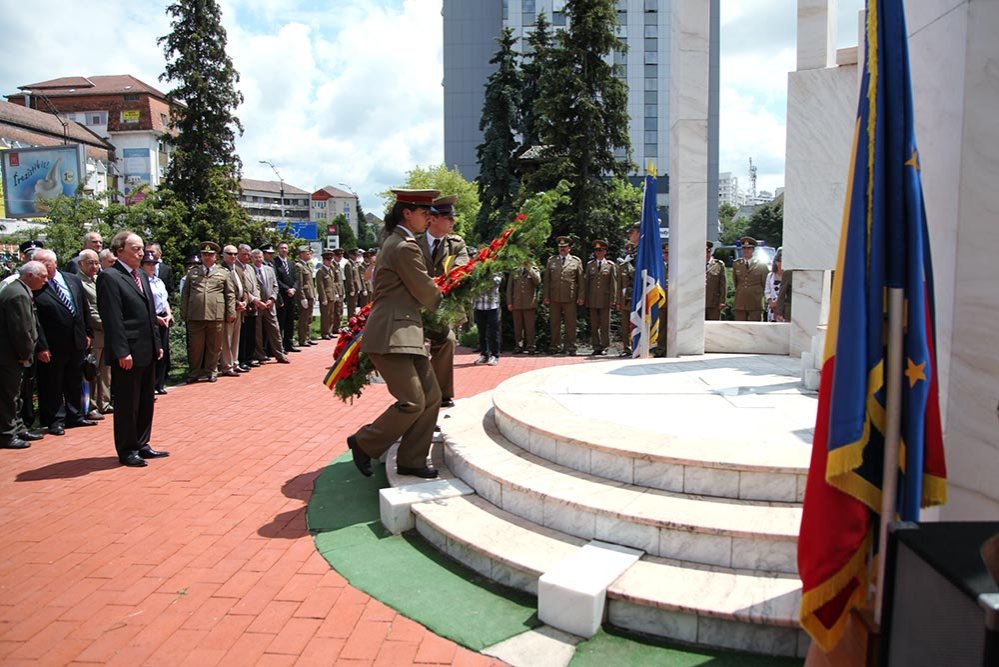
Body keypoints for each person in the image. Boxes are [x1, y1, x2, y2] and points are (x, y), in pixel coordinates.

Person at [347, 189, 443, 480]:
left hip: (405, 332)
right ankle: (364, 442)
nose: (429, 219)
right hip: (392, 334)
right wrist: (452, 299)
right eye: (424, 213)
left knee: (431, 396)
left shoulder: (399, 242)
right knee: (413, 401)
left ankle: (412, 459)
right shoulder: (403, 246)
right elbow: (425, 289)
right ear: (407, 213)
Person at [97, 231, 167, 467]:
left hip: (147, 349)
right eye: (135, 249)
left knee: (146, 400)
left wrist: (157, 343)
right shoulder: (109, 277)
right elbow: (112, 318)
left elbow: (149, 313)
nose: (141, 253)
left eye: (141, 249)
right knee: (128, 403)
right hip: (127, 351)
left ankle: (142, 443)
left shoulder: (141, 275)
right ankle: (127, 450)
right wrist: (121, 351)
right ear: (119, 251)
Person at [31, 249, 95, 435]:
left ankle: (75, 416)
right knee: (52, 383)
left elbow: (83, 307)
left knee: (74, 379)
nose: (42, 267)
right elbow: (36, 321)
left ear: (55, 263)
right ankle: (55, 420)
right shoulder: (37, 286)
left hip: (76, 340)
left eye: (45, 263)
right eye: (38, 264)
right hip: (52, 345)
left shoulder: (72, 279)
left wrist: (87, 332)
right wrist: (41, 346)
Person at [419, 195, 469, 407]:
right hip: (415, 306)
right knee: (417, 347)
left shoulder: (456, 244)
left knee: (447, 341)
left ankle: (442, 393)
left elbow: (461, 270)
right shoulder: (413, 243)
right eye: (448, 217)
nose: (452, 221)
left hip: (442, 307)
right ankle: (420, 393)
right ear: (432, 219)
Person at [0, 262, 47, 450]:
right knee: (9, 396)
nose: (46, 280)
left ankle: (18, 427)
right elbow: (20, 330)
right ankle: (7, 434)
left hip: (15, 355)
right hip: (10, 356)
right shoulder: (17, 294)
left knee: (17, 394)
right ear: (29, 275)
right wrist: (25, 353)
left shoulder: (20, 290)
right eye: (42, 276)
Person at [180, 241, 234, 383]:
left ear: (215, 256)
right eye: (204, 254)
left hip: (216, 314)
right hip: (195, 314)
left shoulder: (223, 273)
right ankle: (194, 373)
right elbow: (185, 294)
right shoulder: (193, 272)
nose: (207, 257)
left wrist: (231, 312)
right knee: (195, 347)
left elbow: (230, 294)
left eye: (210, 254)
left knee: (214, 346)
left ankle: (211, 371)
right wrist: (184, 312)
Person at [76, 249, 108, 418]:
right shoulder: (78, 282)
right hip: (95, 332)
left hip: (107, 332)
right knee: (92, 370)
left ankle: (105, 402)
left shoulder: (99, 279)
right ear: (80, 264)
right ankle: (91, 406)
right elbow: (89, 310)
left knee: (106, 370)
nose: (94, 266)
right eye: (90, 263)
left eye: (97, 262)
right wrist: (107, 324)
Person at [543, 236, 584, 356]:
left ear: (569, 248)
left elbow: (581, 281)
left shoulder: (576, 261)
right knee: (554, 323)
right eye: (560, 247)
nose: (562, 249)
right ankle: (555, 346)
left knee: (570, 323)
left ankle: (571, 346)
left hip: (570, 297)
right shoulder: (551, 260)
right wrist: (546, 296)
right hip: (554, 296)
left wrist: (581, 296)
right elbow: (547, 280)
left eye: (565, 247)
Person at [141, 251, 173, 394]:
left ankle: (160, 383)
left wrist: (169, 314)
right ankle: (150, 384)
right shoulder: (141, 282)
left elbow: (164, 300)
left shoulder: (158, 281)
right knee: (153, 351)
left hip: (163, 317)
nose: (152, 266)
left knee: (163, 350)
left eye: (154, 264)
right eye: (148, 264)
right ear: (142, 265)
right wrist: (155, 318)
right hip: (150, 319)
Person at [251, 249, 290, 364]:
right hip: (257, 305)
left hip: (270, 305)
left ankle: (280, 354)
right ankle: (260, 355)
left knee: (275, 330)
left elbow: (275, 286)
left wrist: (272, 299)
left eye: (260, 257)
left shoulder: (269, 269)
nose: (258, 259)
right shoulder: (249, 270)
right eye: (256, 257)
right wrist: (258, 301)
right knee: (257, 333)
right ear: (252, 259)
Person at [584, 239, 618, 356]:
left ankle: (605, 346)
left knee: (605, 325)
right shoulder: (590, 265)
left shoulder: (610, 265)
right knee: (594, 325)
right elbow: (587, 283)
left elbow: (613, 284)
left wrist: (613, 299)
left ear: (605, 252)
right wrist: (586, 298)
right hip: (593, 299)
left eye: (601, 250)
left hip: (605, 299)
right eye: (596, 250)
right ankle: (596, 346)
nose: (598, 252)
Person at [218, 244, 247, 377]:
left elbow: (244, 289)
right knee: (227, 339)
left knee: (236, 338)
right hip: (228, 309)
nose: (233, 256)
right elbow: (222, 292)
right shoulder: (220, 270)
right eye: (230, 254)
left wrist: (244, 301)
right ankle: (227, 366)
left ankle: (235, 363)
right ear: (223, 255)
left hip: (240, 309)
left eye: (235, 254)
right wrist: (236, 303)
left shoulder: (238, 270)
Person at [507, 259, 541, 354]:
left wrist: (529, 268)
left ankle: (531, 346)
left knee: (530, 328)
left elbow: (538, 281)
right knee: (518, 328)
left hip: (529, 303)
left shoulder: (534, 269)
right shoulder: (514, 270)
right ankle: (519, 346)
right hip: (516, 303)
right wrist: (509, 302)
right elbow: (509, 288)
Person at [236, 244, 261, 369]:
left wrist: (258, 297)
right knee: (243, 334)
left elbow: (255, 285)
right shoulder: (236, 267)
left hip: (254, 305)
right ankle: (242, 359)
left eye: (248, 254)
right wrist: (252, 299)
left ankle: (250, 358)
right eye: (244, 254)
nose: (247, 257)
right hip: (244, 305)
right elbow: (243, 288)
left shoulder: (250, 268)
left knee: (252, 332)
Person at [732, 236, 768, 321]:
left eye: (749, 248)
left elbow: (765, 283)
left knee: (756, 326)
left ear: (753, 250)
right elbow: (736, 282)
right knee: (739, 325)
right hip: (740, 300)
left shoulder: (761, 264)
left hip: (755, 300)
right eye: (744, 248)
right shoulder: (736, 264)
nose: (746, 250)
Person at [617, 224, 640, 356]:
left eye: (632, 251)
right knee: (625, 325)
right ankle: (627, 348)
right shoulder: (623, 265)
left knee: (636, 323)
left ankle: (638, 346)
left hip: (637, 297)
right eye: (628, 251)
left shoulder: (638, 260)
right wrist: (618, 300)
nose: (630, 253)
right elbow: (619, 284)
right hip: (626, 299)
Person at [273, 242, 299, 353]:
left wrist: (294, 289)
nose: (284, 250)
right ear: (278, 250)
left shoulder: (291, 263)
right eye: (281, 248)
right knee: (281, 321)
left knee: (290, 321)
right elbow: (276, 279)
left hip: (291, 296)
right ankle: (280, 346)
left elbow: (296, 278)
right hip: (282, 296)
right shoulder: (275, 262)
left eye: (285, 248)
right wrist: (287, 289)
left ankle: (289, 343)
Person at [473, 275, 502, 365]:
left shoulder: (495, 270)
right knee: (481, 333)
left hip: (492, 306)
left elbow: (497, 282)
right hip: (479, 306)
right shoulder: (475, 271)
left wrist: (486, 274)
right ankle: (484, 354)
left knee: (493, 332)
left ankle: (495, 355)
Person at [316, 249, 342, 339]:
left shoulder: (330, 270)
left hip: (331, 296)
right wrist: (323, 298)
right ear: (324, 260)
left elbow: (333, 284)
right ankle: (325, 333)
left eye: (331, 260)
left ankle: (330, 331)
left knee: (331, 315)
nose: (330, 262)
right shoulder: (320, 271)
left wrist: (336, 293)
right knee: (325, 316)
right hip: (326, 297)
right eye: (328, 260)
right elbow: (320, 286)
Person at [295, 246, 317, 347]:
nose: (309, 255)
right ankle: (302, 339)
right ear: (302, 254)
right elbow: (300, 283)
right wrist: (302, 297)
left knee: (309, 318)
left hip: (310, 295)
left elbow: (311, 282)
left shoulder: (307, 265)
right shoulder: (299, 266)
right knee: (303, 319)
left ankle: (307, 337)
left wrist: (314, 295)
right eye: (307, 253)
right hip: (305, 296)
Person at [654, 241, 670, 357]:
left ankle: (673, 348)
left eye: (668, 253)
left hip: (676, 302)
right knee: (662, 326)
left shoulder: (677, 266)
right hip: (662, 302)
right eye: (665, 253)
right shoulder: (658, 267)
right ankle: (661, 349)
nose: (666, 256)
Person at [704, 241, 727, 320]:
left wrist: (722, 301)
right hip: (699, 302)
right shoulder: (696, 265)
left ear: (711, 252)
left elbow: (723, 284)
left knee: (714, 324)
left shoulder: (719, 265)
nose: (706, 254)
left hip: (714, 302)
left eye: (707, 252)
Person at [765, 248, 784, 322]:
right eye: (778, 261)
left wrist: (777, 303)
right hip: (772, 309)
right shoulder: (770, 275)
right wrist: (771, 302)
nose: (780, 264)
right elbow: (767, 291)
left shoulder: (788, 276)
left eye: (782, 261)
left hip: (783, 309)